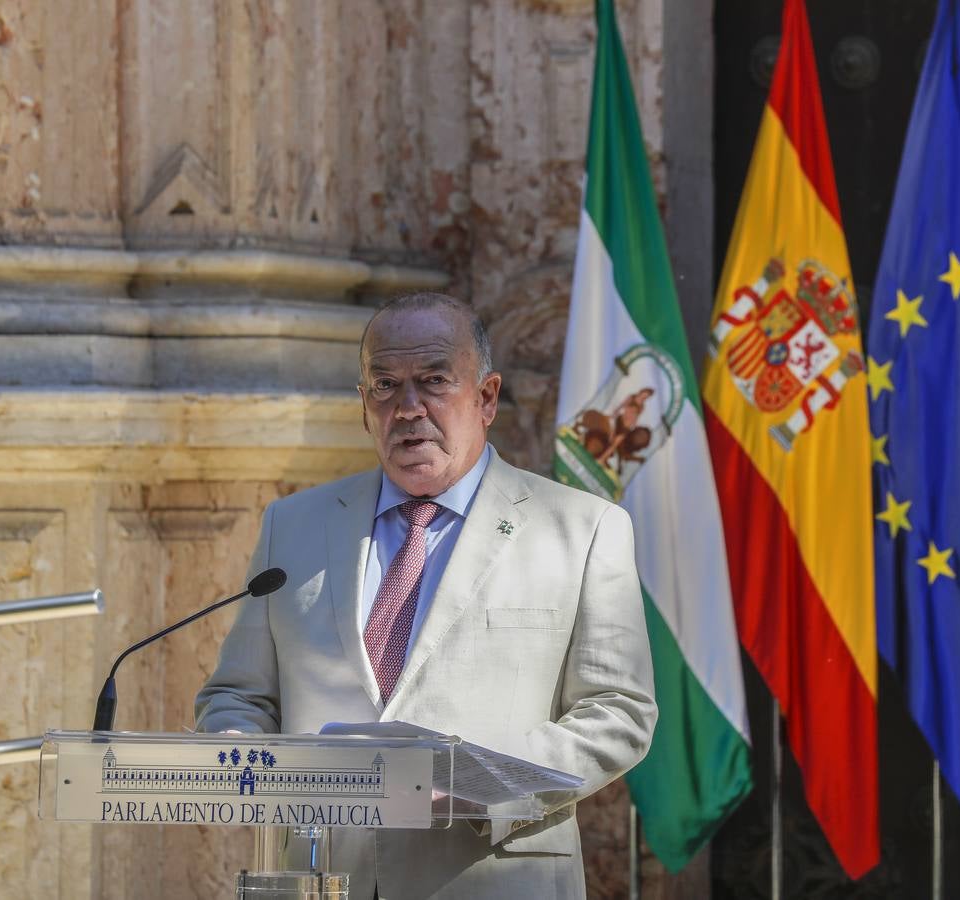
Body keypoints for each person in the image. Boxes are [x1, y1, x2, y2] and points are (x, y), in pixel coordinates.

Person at [195, 292, 657, 899]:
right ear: (364, 406)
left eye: (434, 381)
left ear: (486, 398)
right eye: (384, 385)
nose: (408, 408)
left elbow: (618, 711)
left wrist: (480, 780)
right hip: (325, 875)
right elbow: (238, 696)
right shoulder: (294, 526)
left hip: (489, 876)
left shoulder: (583, 528)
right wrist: (240, 754)